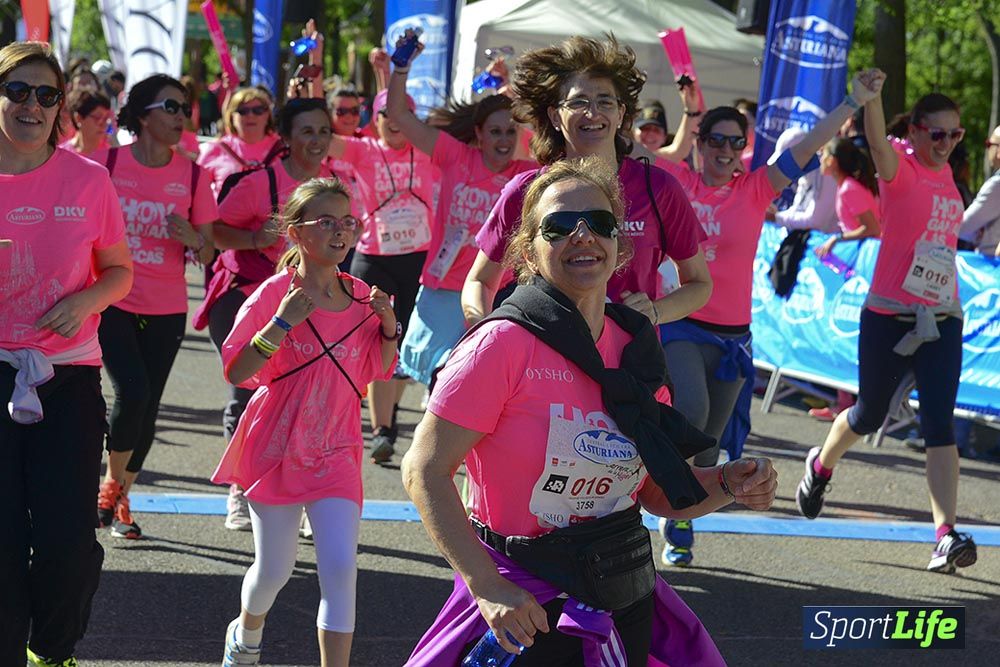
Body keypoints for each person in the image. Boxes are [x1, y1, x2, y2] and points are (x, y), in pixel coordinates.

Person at [401, 157, 778, 666]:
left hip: (623, 591)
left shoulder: (636, 347)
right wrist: (486, 587)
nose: (583, 236)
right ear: (528, 253)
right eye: (559, 226)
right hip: (524, 606)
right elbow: (422, 469)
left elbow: (657, 492)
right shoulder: (500, 344)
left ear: (620, 246)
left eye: (599, 223)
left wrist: (730, 482)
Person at [654, 73, 882, 566]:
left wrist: (852, 101)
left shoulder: (756, 189)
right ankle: (648, 486)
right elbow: (630, 150)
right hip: (679, 323)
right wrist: (688, 111)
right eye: (716, 139)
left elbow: (808, 148)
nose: (726, 149)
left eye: (737, 142)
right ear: (700, 143)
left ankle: (679, 517)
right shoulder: (677, 184)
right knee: (689, 410)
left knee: (710, 446)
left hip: (733, 336)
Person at [796, 72, 979, 574]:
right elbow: (876, 142)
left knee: (939, 423)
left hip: (942, 315)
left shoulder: (950, 179)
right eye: (937, 134)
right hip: (888, 315)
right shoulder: (901, 168)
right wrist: (870, 99)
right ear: (917, 132)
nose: (946, 144)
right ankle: (820, 465)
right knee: (869, 415)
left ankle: (945, 533)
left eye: (955, 134)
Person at [212, 178, 398, 667]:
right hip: (275, 448)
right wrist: (281, 323)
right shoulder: (274, 294)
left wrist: (388, 326)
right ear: (295, 233)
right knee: (274, 571)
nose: (340, 232)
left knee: (340, 569)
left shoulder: (361, 297)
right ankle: (246, 635)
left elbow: (379, 369)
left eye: (347, 222)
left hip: (337, 448)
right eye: (326, 222)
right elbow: (236, 370)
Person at [0, 41, 132, 667]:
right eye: (17, 91)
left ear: (60, 107)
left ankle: (52, 652)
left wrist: (86, 302)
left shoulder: (90, 179)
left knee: (67, 547)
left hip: (68, 379)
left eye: (45, 95)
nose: (31, 105)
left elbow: (119, 272)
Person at [462, 35, 711, 333]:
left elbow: (699, 283)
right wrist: (483, 333)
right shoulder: (528, 190)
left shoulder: (659, 188)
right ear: (555, 115)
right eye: (578, 101)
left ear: (621, 114)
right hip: (545, 361)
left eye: (605, 101)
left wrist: (655, 311)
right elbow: (480, 280)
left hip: (629, 364)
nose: (592, 113)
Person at [197, 97, 334, 531]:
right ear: (287, 138)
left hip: (309, 300)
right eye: (307, 131)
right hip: (245, 297)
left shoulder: (336, 186)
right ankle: (242, 488)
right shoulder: (261, 184)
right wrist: (259, 239)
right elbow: (215, 231)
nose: (316, 140)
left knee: (311, 396)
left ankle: (307, 491)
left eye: (323, 131)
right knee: (252, 393)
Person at [91, 74, 217, 539]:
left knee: (149, 405)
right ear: (142, 113)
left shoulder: (193, 175)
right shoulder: (104, 164)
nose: (181, 115)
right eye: (170, 106)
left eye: (184, 108)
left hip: (167, 305)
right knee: (133, 392)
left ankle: (120, 495)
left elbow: (208, 253)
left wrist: (193, 239)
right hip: (111, 298)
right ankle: (111, 483)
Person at [385, 37, 536, 410]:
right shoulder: (456, 156)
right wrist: (400, 70)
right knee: (437, 372)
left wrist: (510, 88)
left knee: (478, 377)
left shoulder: (527, 173)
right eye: (495, 131)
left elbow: (554, 136)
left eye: (510, 132)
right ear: (480, 134)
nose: (503, 139)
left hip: (498, 290)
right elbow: (400, 117)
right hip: (445, 285)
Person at [327, 87, 440, 464]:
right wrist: (308, 87)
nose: (393, 122)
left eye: (402, 113)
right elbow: (315, 135)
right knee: (371, 335)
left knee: (402, 344)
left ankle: (387, 425)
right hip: (374, 256)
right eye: (384, 115)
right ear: (373, 121)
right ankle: (381, 429)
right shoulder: (363, 150)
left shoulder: (427, 152)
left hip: (417, 258)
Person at [197, 86, 282, 197]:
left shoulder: (284, 149)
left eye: (258, 110)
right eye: (243, 111)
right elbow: (196, 191)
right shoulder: (216, 148)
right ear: (232, 117)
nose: (250, 115)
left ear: (268, 115)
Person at [958, 124, 1000, 255]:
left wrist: (982, 236)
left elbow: (961, 228)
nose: (987, 150)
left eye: (989, 144)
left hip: (991, 267)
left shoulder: (997, 185)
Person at [59, 89, 112, 156]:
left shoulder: (111, 157)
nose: (104, 124)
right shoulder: (61, 155)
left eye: (106, 119)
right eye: (98, 118)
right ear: (79, 118)